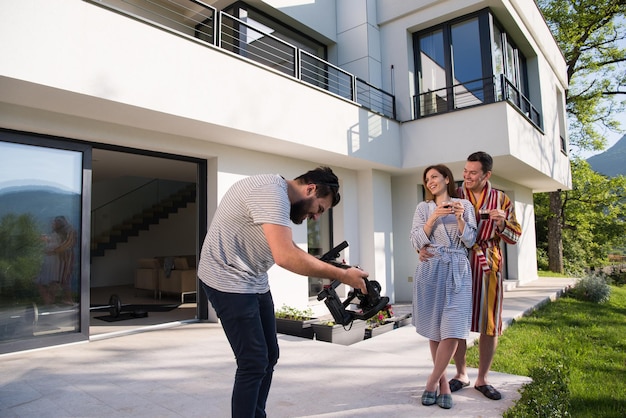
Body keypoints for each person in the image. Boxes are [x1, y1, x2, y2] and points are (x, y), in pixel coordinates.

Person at [197, 166, 369, 418]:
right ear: (310, 189)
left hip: (253, 278)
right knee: (253, 362)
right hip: (226, 278)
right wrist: (343, 276)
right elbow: (286, 256)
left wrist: (335, 266)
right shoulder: (270, 192)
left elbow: (288, 248)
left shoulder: (278, 198)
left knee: (270, 356)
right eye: (319, 209)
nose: (316, 217)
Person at [420, 151, 522, 400]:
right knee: (454, 323)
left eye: (473, 172)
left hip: (487, 264)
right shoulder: (455, 193)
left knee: (489, 324)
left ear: (487, 174)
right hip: (455, 265)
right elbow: (431, 226)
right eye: (465, 171)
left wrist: (501, 224)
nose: (467, 176)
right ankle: (461, 374)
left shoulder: (501, 199)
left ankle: (483, 379)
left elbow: (516, 235)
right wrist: (421, 247)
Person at [411, 164, 476, 410]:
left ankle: (431, 382)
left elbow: (470, 239)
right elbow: (416, 241)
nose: (430, 182)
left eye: (434, 177)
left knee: (453, 327)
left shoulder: (465, 206)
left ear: (447, 179)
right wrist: (433, 218)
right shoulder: (423, 208)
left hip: (457, 268)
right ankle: (444, 385)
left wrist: (459, 217)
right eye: (427, 179)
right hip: (431, 270)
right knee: (435, 328)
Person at [36, 215, 76, 305]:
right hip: (58, 260)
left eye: (55, 222)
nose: (53, 223)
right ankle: (54, 300)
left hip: (63, 259)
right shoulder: (58, 234)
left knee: (62, 279)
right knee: (58, 280)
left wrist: (53, 251)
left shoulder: (69, 232)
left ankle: (66, 299)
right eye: (54, 222)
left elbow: (66, 244)